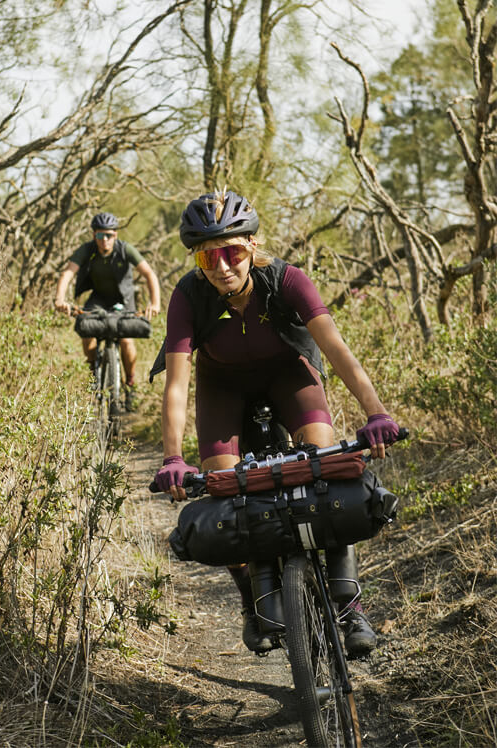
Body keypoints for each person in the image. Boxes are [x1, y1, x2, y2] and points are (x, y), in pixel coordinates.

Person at [151, 189, 400, 657]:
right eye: (209, 256)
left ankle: (349, 605)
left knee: (327, 463)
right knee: (225, 485)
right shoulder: (189, 295)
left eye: (234, 251)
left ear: (253, 245)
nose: (222, 266)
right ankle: (252, 599)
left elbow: (336, 349)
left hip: (290, 373)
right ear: (197, 260)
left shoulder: (286, 279)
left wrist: (376, 412)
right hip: (223, 387)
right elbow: (177, 385)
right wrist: (173, 458)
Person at [55, 212, 161, 411]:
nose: (105, 240)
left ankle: (130, 384)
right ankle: (93, 370)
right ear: (94, 235)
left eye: (110, 235)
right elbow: (68, 272)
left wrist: (154, 303)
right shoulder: (87, 250)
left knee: (126, 340)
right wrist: (60, 299)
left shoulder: (125, 249)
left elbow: (149, 274)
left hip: (124, 299)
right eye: (100, 235)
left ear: (116, 235)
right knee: (87, 331)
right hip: (98, 299)